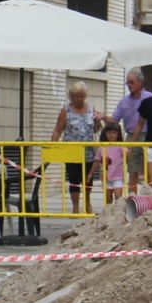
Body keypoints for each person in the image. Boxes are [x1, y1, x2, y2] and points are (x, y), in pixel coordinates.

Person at [51, 82, 99, 213]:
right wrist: (53, 146)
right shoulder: (66, 110)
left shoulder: (91, 108)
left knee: (88, 179)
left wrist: (98, 121)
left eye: (82, 96)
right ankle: (76, 206)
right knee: (74, 179)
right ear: (71, 96)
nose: (80, 99)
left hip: (88, 152)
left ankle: (87, 202)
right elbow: (57, 130)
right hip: (71, 151)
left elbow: (97, 129)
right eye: (77, 96)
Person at [107, 68, 152, 190]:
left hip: (150, 135)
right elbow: (114, 120)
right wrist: (103, 117)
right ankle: (133, 197)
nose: (129, 85)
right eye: (127, 82)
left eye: (131, 82)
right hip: (131, 136)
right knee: (132, 169)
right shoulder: (124, 101)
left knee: (151, 169)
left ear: (140, 82)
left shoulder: (151, 98)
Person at [98, 120, 126, 207]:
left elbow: (127, 157)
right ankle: (109, 213)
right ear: (105, 134)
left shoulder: (121, 146)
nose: (111, 135)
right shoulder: (102, 147)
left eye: (114, 132)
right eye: (109, 132)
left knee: (118, 198)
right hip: (106, 177)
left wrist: (128, 153)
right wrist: (91, 173)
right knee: (108, 199)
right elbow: (97, 160)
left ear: (118, 134)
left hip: (118, 177)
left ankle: (119, 212)